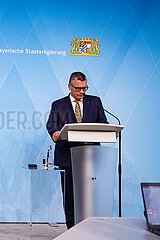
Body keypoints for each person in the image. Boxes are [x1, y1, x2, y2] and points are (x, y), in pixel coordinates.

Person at [46, 71, 107, 229]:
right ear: (69, 86)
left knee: (90, 197)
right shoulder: (58, 104)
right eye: (78, 88)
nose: (82, 92)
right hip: (68, 157)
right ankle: (72, 231)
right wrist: (55, 133)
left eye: (84, 88)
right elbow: (51, 124)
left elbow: (104, 124)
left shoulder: (95, 102)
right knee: (70, 198)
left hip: (91, 157)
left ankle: (91, 229)